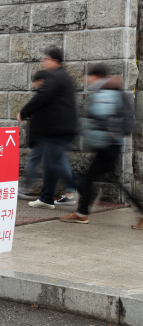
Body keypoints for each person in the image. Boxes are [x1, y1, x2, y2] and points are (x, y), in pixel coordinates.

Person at [60, 64, 142, 227]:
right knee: (97, 178)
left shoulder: (103, 92)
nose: (87, 79)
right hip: (111, 145)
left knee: (89, 178)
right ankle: (82, 211)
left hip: (106, 146)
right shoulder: (116, 91)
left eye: (89, 76)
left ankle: (82, 212)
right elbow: (129, 119)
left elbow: (95, 119)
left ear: (97, 76)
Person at [18, 47, 78, 210]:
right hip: (59, 128)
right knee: (52, 164)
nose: (43, 62)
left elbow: (42, 97)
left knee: (52, 164)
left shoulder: (55, 77)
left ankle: (78, 187)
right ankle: (47, 198)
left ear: (54, 61)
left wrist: (23, 112)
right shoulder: (62, 76)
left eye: (46, 59)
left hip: (57, 129)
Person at [18, 70, 48, 200]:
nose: (34, 84)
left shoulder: (43, 94)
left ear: (40, 81)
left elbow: (33, 109)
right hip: (47, 135)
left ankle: (27, 187)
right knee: (55, 162)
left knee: (33, 161)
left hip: (44, 135)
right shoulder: (48, 94)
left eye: (35, 81)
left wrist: (23, 113)